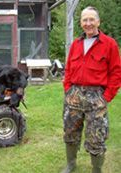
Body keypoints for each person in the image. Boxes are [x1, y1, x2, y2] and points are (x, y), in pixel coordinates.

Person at [62, 6, 121, 173]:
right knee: (70, 131)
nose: (88, 23)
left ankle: (96, 169)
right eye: (84, 20)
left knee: (97, 135)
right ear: (81, 23)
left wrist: (107, 96)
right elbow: (68, 69)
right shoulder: (76, 44)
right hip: (74, 95)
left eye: (91, 19)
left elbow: (116, 72)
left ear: (98, 21)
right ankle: (71, 164)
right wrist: (68, 88)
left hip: (96, 96)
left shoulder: (109, 44)